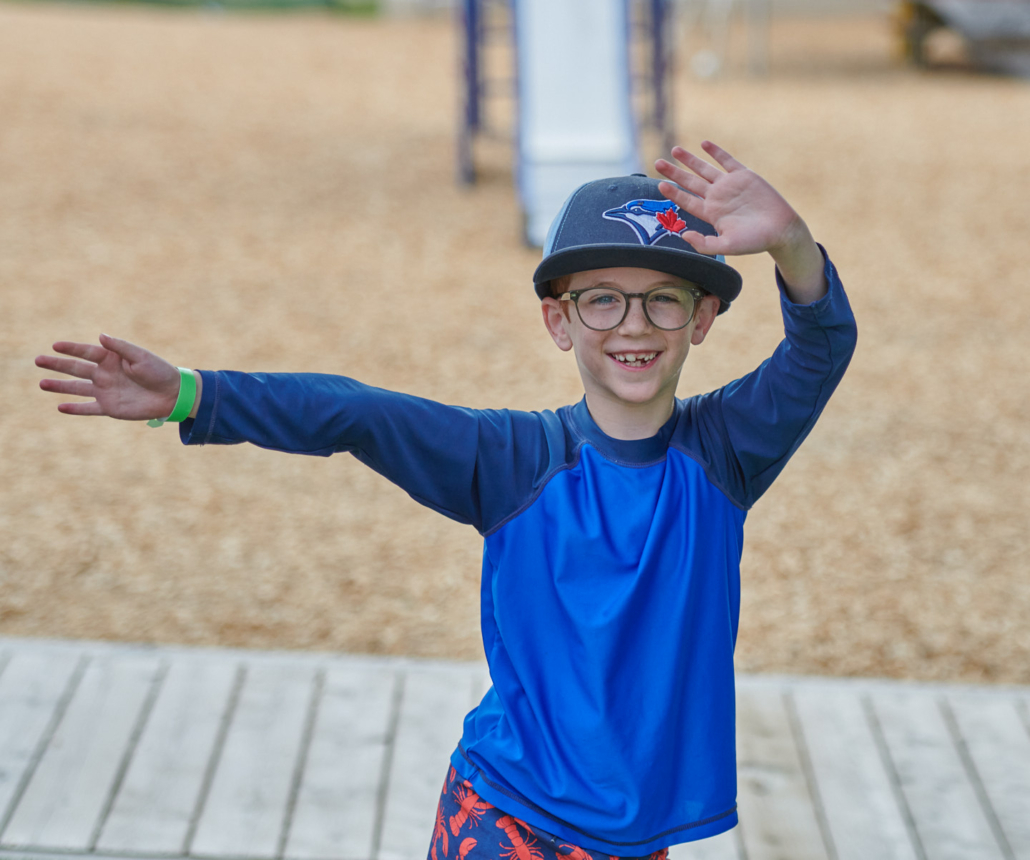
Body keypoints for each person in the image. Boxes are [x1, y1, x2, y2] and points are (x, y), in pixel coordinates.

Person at [37, 142, 857, 860]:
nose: (633, 324)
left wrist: (790, 241)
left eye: (663, 299)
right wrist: (192, 393)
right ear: (559, 321)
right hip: (509, 820)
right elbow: (356, 414)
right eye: (601, 298)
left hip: (639, 836)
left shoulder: (725, 453)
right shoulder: (513, 462)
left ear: (702, 318)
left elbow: (820, 348)